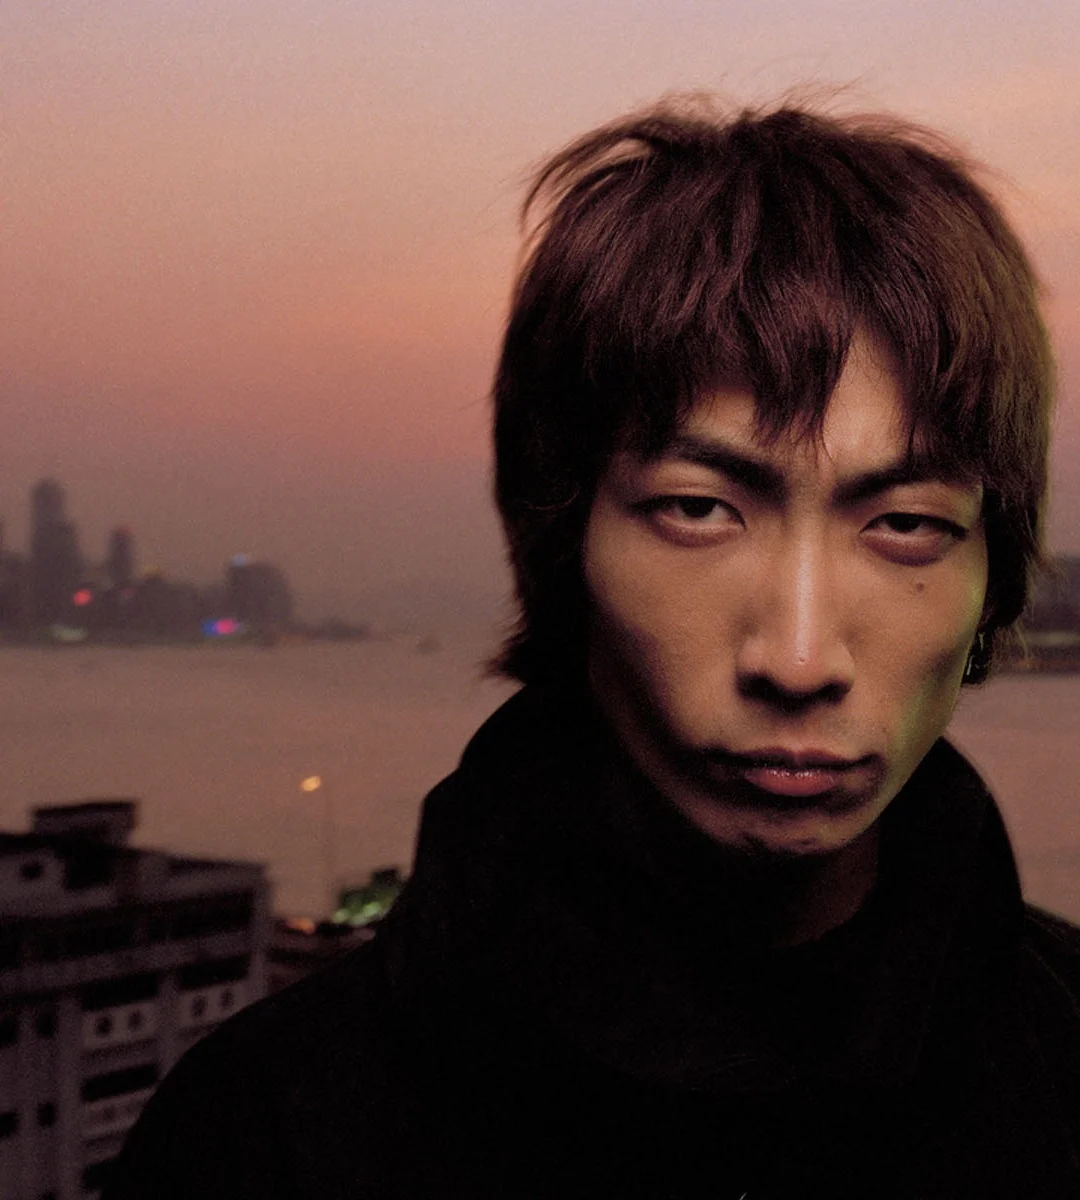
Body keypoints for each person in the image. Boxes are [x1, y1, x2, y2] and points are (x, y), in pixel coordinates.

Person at [105, 97, 1080, 1199]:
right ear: (562, 542)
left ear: (993, 576)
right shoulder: (259, 1137)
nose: (800, 658)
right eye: (698, 509)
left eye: (906, 523)